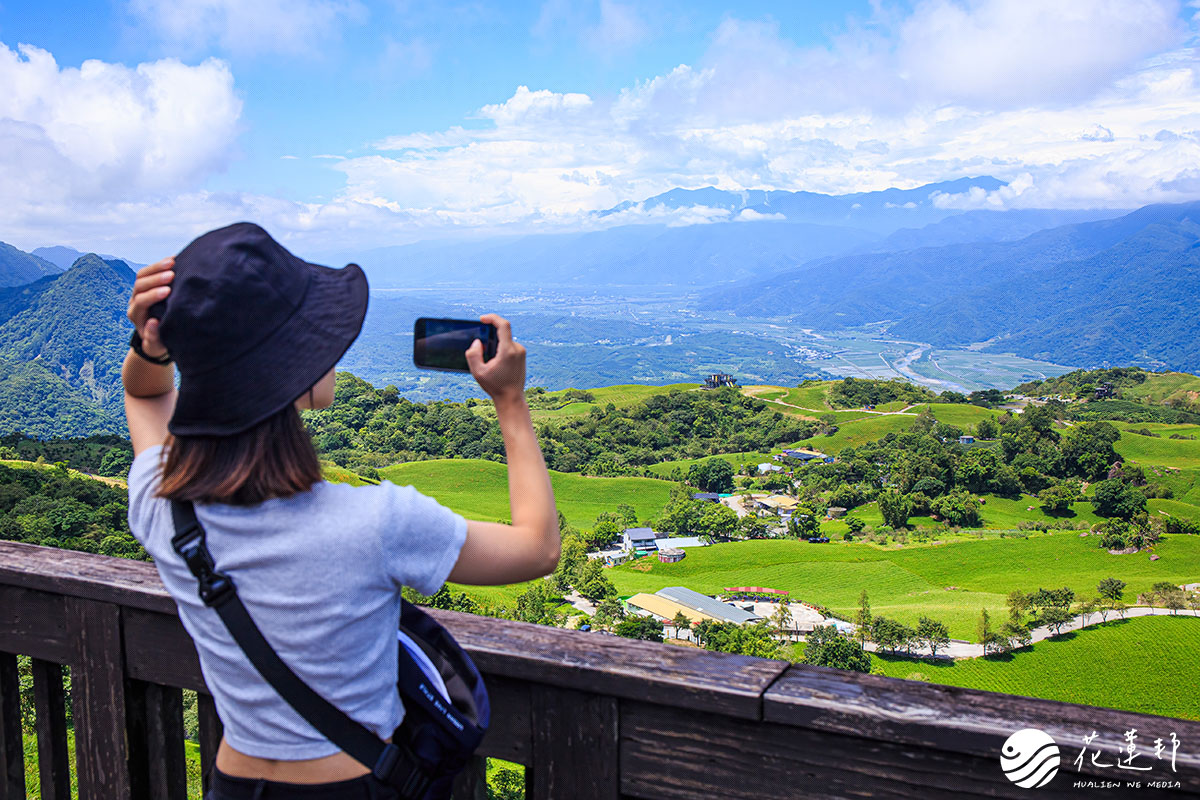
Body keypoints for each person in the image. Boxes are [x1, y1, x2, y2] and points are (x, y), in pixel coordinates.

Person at [123, 222, 560, 799]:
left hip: (232, 784)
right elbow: (539, 548)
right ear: (289, 371)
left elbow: (146, 394)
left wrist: (150, 345)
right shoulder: (377, 522)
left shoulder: (161, 501)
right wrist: (510, 399)